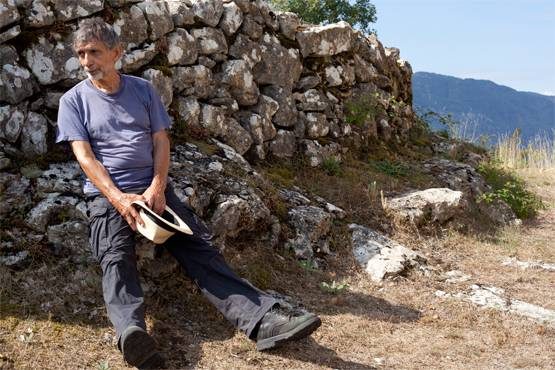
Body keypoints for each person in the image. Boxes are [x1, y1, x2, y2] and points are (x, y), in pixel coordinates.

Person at [56, 18, 321, 369]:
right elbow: (84, 156)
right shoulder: (73, 101)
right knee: (115, 257)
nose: (87, 61)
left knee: (199, 246)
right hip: (109, 196)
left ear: (117, 53)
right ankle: (132, 335)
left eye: (95, 52)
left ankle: (262, 321)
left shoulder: (143, 90)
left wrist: (157, 187)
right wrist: (120, 199)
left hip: (152, 191)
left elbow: (160, 141)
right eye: (81, 54)